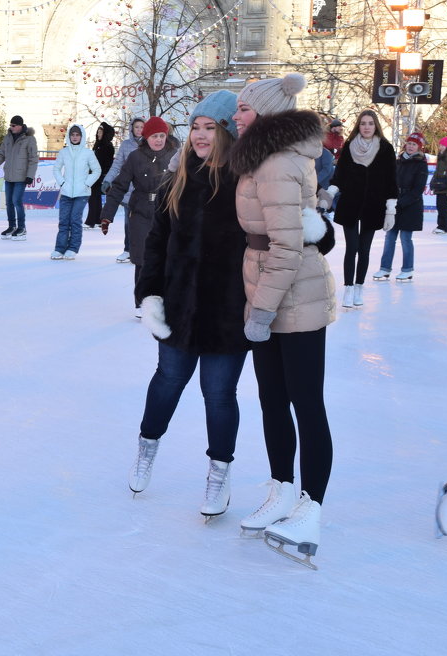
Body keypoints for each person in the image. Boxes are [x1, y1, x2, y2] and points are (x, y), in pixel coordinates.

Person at [230, 72, 336, 568]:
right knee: (273, 399)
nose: (237, 116)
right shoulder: (258, 160)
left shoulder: (274, 164)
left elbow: (288, 247)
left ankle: (309, 507)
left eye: (244, 110)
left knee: (304, 403)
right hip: (267, 290)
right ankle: (280, 489)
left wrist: (264, 308)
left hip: (295, 298)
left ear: (267, 115)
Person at [128, 91, 247, 520]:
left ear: (227, 132)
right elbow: (155, 245)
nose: (199, 135)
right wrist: (150, 296)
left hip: (227, 313)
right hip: (179, 307)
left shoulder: (246, 183)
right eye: (195, 126)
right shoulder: (176, 180)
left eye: (209, 127)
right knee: (167, 381)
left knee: (218, 395)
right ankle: (147, 446)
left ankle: (219, 472)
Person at [100, 117, 177, 313]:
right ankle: (141, 302)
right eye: (154, 136)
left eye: (161, 135)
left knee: (166, 257)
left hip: (166, 212)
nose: (158, 140)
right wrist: (107, 214)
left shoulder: (175, 156)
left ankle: (164, 299)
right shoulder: (135, 157)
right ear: (146, 137)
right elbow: (119, 186)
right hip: (141, 211)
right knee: (143, 259)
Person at [329, 109, 397, 308]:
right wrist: (329, 194)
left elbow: (391, 181)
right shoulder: (349, 146)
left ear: (376, 126)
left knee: (364, 250)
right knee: (352, 248)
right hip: (350, 204)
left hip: (373, 205)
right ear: (358, 126)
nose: (366, 127)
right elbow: (339, 176)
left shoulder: (385, 148)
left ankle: (359, 287)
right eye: (363, 123)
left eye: (370, 123)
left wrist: (390, 209)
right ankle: (348, 288)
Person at [374, 132, 430, 282]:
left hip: (410, 207)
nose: (411, 147)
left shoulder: (421, 164)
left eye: (414, 144)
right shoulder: (398, 162)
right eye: (409, 144)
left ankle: (407, 269)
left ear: (419, 147)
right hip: (394, 204)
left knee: (405, 238)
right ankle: (385, 269)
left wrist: (400, 203)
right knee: (389, 237)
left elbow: (418, 190)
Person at [49, 124, 100, 260]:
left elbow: (97, 170)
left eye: (77, 135)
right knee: (64, 220)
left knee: (75, 220)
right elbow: (56, 169)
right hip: (66, 192)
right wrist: (62, 183)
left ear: (81, 136)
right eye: (72, 134)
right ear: (69, 136)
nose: (75, 137)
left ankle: (73, 247)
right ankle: (60, 248)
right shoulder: (64, 152)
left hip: (82, 193)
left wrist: (86, 184)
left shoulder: (88, 153)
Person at [0, 114, 39, 240]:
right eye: (10, 125)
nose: (11, 127)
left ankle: (22, 228)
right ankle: (12, 226)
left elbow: (33, 159)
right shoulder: (8, 138)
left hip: (21, 177)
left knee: (17, 201)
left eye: (14, 125)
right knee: (9, 203)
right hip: (9, 176)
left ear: (20, 126)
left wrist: (30, 175)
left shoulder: (29, 139)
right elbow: (1, 155)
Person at [102, 117, 146, 262]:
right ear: (132, 129)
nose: (139, 130)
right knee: (129, 223)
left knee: (144, 223)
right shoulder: (126, 145)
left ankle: (144, 250)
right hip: (129, 191)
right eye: (137, 127)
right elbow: (117, 165)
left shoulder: (149, 144)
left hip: (145, 191)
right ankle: (128, 250)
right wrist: (108, 180)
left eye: (141, 127)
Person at [85, 122, 116, 228]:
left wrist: (103, 175)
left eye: (101, 132)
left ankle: (92, 221)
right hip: (93, 175)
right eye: (98, 131)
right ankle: (97, 219)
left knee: (94, 197)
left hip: (100, 176)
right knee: (94, 198)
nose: (98, 134)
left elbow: (108, 163)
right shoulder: (97, 145)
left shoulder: (107, 146)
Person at [430, 136, 447, 234]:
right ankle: (440, 225)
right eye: (440, 145)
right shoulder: (441, 155)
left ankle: (444, 227)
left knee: (443, 206)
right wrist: (433, 182)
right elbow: (437, 171)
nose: (440, 147)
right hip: (440, 184)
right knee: (439, 206)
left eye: (442, 145)